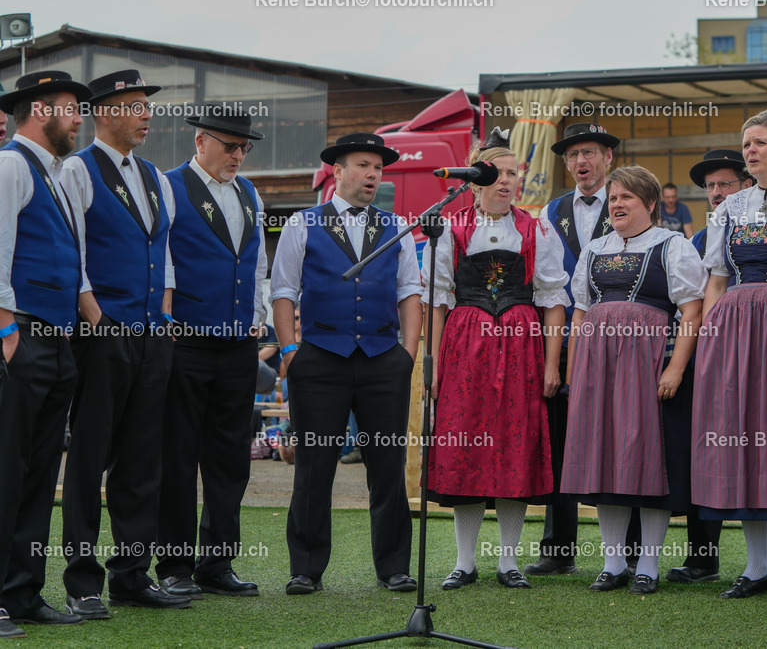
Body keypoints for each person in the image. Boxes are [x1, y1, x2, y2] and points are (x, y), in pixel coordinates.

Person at [271, 133, 421, 594]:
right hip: (319, 359)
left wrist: (407, 355)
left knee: (387, 466)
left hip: (382, 359)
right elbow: (283, 291)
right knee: (314, 466)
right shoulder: (302, 223)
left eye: (378, 167)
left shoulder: (397, 226)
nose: (373, 174)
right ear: (337, 170)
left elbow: (409, 293)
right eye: (363, 165)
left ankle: (394, 566)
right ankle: (306, 568)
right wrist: (290, 351)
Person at [59, 70, 185, 617]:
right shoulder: (74, 170)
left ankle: (131, 576)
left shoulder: (156, 176)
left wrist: (162, 315)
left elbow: (165, 252)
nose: (146, 115)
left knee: (141, 462)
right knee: (89, 459)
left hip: (151, 335)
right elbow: (73, 255)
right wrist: (97, 319)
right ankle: (82, 582)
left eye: (147, 107)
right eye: (136, 106)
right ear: (103, 112)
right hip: (102, 332)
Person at [424, 128, 566, 590]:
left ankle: (508, 560)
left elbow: (551, 299)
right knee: (466, 447)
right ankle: (465, 561)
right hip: (466, 346)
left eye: (513, 174)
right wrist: (435, 364)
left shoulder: (537, 226)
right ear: (476, 177)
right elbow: (437, 300)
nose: (507, 182)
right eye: (497, 173)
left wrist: (551, 364)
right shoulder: (451, 226)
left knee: (514, 447)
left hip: (522, 344)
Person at [691, 109, 767, 603]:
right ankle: (758, 565)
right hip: (736, 331)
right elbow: (717, 278)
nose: (750, 151)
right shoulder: (730, 206)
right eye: (747, 144)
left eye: (760, 142)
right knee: (741, 437)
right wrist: (709, 338)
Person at [563, 165, 705, 595]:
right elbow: (581, 312)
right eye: (614, 197)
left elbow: (692, 312)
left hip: (650, 367)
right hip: (598, 368)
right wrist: (575, 374)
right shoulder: (595, 249)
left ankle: (648, 564)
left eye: (627, 197)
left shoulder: (672, 246)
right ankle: (613, 563)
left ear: (649, 203)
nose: (618, 204)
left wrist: (676, 368)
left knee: (650, 461)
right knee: (607, 460)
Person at [156, 105, 268, 600]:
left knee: (230, 460)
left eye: (244, 147)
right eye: (230, 145)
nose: (239, 155)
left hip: (239, 342)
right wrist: (166, 317)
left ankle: (216, 563)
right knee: (177, 458)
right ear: (201, 141)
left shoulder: (249, 192)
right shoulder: (168, 185)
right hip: (187, 340)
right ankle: (174, 565)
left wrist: (259, 313)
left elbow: (257, 259)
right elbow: (160, 256)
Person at [0, 70, 92, 637]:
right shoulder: (10, 165)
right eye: (71, 108)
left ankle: (23, 592)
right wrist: (6, 335)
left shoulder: (58, 175)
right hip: (22, 339)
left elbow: (70, 258)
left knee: (38, 477)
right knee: (7, 473)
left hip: (55, 341)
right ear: (40, 110)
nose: (80, 117)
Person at [526, 122, 620, 577]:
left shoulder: (629, 199)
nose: (580, 162)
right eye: (571, 156)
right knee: (560, 440)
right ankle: (558, 548)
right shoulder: (551, 210)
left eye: (588, 152)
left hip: (620, 339)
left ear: (608, 158)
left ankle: (628, 551)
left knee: (620, 438)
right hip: (564, 337)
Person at [665, 149, 751, 585]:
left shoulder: (760, 229)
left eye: (725, 184)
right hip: (708, 357)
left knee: (761, 449)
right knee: (705, 451)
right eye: (710, 186)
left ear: (747, 184)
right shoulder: (696, 242)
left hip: (755, 353)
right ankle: (703, 560)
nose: (716, 193)